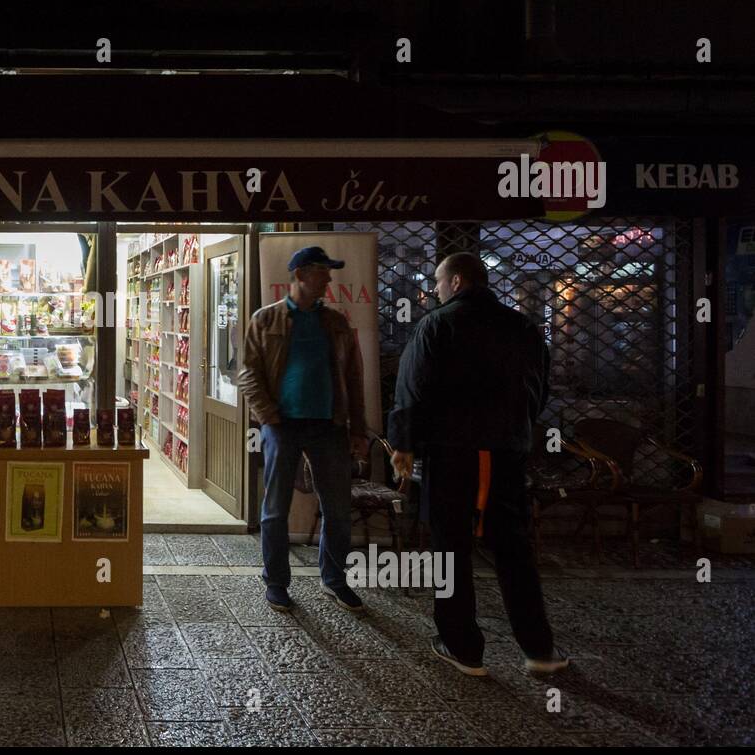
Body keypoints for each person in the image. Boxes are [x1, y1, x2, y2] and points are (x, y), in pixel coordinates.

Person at [388, 252, 569, 676]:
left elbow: (413, 388)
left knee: (450, 548)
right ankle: (539, 649)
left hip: (454, 453)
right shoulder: (522, 327)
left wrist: (403, 443)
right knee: (514, 549)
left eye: (437, 281)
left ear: (455, 281)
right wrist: (516, 429)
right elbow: (539, 390)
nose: (433, 289)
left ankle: (461, 645)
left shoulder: (437, 324)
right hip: (507, 452)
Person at [240, 246, 368, 612]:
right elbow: (248, 373)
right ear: (299, 274)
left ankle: (334, 578)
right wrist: (268, 415)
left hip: (329, 425)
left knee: (337, 507)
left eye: (329, 272)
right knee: (275, 508)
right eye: (322, 272)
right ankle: (277, 582)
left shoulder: (337, 323)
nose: (328, 279)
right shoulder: (265, 320)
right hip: (282, 425)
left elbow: (353, 377)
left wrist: (357, 427)